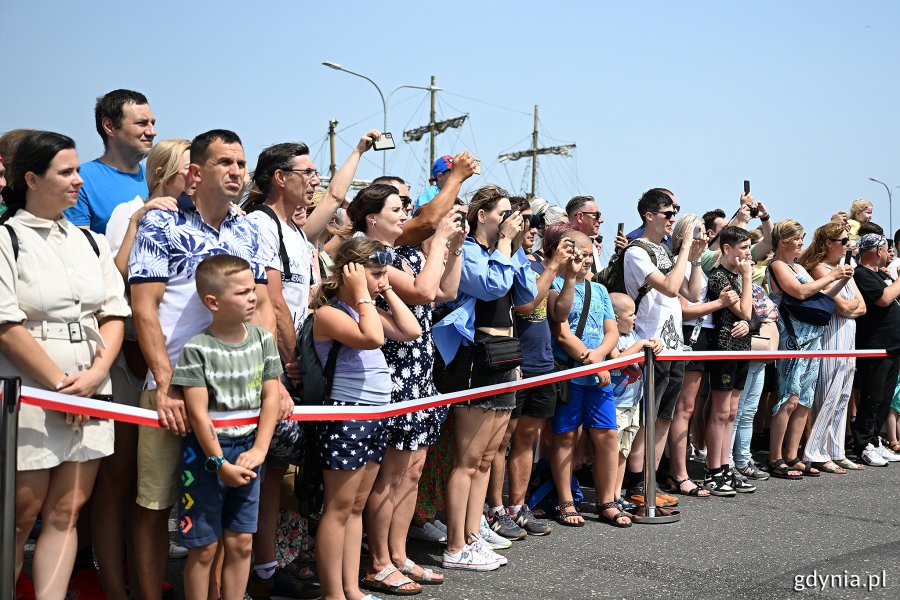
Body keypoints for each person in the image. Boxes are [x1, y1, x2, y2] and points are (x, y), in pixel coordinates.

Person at [128, 129, 280, 600]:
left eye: (241, 163)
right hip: (171, 391)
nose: (237, 172)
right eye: (224, 163)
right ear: (195, 172)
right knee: (156, 506)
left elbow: (265, 306)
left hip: (236, 397)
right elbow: (144, 307)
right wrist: (168, 383)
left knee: (220, 523)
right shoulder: (163, 224)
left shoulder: (250, 227)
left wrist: (272, 379)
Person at [242, 132, 376, 600]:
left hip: (302, 363)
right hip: (281, 365)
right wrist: (290, 359)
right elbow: (272, 298)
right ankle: (259, 572)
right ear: (280, 179)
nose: (317, 181)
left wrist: (358, 150)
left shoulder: (298, 230)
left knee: (285, 472)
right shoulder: (260, 223)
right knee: (265, 472)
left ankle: (272, 562)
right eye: (308, 172)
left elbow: (337, 196)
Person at [0, 131, 129, 600]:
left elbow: (114, 313)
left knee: (67, 512)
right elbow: (6, 325)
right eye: (66, 172)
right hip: (30, 395)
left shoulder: (92, 243)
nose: (78, 181)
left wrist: (94, 378)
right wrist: (60, 386)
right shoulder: (6, 239)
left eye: (78, 171)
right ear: (31, 179)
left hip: (92, 389)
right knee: (20, 515)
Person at [337, 183, 464, 591]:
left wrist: (452, 248)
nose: (406, 211)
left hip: (420, 371)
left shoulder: (406, 253)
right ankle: (376, 561)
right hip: (392, 373)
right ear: (372, 217)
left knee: (412, 472)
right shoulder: (370, 256)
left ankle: (398, 554)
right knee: (390, 475)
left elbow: (445, 291)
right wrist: (440, 237)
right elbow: (425, 291)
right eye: (398, 206)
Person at [311, 237, 422, 600]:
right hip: (346, 416)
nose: (380, 281)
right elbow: (373, 338)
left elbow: (411, 330)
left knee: (356, 506)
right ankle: (333, 593)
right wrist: (361, 291)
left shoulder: (367, 308)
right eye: (375, 274)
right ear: (352, 273)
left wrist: (386, 290)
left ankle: (350, 587)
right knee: (339, 507)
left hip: (373, 416)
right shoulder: (330, 313)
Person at [433, 184, 536, 571]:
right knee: (469, 457)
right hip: (476, 357)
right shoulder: (470, 252)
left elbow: (525, 296)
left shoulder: (503, 253)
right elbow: (489, 285)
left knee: (487, 456)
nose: (511, 220)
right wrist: (506, 245)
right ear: (482, 215)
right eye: (503, 213)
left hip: (505, 354)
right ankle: (456, 545)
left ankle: (473, 535)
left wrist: (515, 246)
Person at [170, 255, 282, 600]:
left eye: (253, 290)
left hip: (249, 451)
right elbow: (198, 414)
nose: (252, 298)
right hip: (205, 458)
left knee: (241, 543)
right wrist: (219, 463)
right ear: (212, 302)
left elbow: (272, 398)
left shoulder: (263, 340)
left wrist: (260, 450)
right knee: (203, 549)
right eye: (242, 293)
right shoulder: (196, 349)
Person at [489, 221, 576, 537]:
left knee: (526, 440)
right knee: (502, 441)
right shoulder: (530, 265)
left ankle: (517, 506)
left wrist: (572, 276)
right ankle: (495, 509)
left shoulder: (546, 269)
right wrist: (554, 266)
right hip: (517, 363)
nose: (529, 230)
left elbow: (560, 314)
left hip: (543, 364)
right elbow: (526, 308)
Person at [621, 188, 705, 507]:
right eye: (669, 214)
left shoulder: (667, 253)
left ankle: (651, 482)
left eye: (676, 213)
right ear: (649, 216)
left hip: (675, 345)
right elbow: (670, 288)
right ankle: (636, 484)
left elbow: (692, 294)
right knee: (648, 417)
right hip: (651, 344)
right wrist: (684, 248)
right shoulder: (637, 251)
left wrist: (694, 259)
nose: (674, 219)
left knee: (665, 418)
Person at [547, 230, 625, 526]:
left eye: (590, 254)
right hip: (570, 374)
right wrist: (590, 362)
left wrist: (599, 359)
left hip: (597, 376)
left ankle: (607, 500)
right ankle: (566, 501)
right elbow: (561, 332)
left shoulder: (600, 290)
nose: (586, 260)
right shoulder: (555, 284)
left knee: (607, 434)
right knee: (566, 436)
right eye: (580, 254)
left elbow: (612, 332)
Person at [765, 220, 852, 478]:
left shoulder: (799, 266)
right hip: (792, 337)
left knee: (804, 400)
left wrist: (840, 280)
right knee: (788, 399)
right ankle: (775, 457)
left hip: (813, 337)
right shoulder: (777, 265)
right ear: (783, 241)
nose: (802, 242)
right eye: (798, 238)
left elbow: (823, 296)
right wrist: (832, 276)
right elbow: (800, 292)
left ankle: (792, 455)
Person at [666, 214, 734, 498]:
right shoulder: (673, 262)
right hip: (686, 335)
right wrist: (719, 303)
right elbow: (687, 305)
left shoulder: (698, 264)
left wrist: (695, 260)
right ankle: (678, 472)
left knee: (692, 406)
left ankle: (681, 468)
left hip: (703, 336)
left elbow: (695, 292)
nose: (703, 237)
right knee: (684, 407)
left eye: (705, 232)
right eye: (696, 232)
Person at [798, 223, 867, 473]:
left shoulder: (847, 270)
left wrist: (851, 308)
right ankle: (815, 451)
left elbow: (861, 307)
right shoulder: (820, 269)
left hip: (848, 336)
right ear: (828, 242)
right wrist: (850, 308)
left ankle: (835, 449)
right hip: (831, 335)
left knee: (844, 395)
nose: (847, 244)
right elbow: (842, 307)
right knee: (827, 393)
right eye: (843, 240)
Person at [703, 226, 756, 495]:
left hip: (743, 347)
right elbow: (744, 309)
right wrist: (747, 278)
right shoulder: (719, 277)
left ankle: (726, 465)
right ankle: (714, 470)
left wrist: (749, 325)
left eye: (749, 248)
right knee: (721, 411)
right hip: (723, 347)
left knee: (733, 412)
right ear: (727, 249)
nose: (748, 254)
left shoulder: (740, 276)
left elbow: (753, 314)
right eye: (744, 248)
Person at [65, 89, 156, 234]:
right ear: (109, 126)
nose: (152, 132)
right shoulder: (79, 180)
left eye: (152, 123)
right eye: (142, 123)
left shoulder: (157, 178)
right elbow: (79, 249)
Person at [608, 293, 663, 508]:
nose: (635, 318)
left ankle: (616, 493)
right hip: (615, 404)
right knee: (612, 452)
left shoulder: (632, 336)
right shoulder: (612, 336)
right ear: (615, 318)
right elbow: (617, 360)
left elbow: (642, 350)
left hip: (632, 402)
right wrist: (640, 344)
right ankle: (608, 496)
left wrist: (653, 343)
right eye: (631, 314)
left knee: (623, 451)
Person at [851, 233, 900, 466]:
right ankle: (863, 443)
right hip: (875, 346)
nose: (888, 253)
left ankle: (875, 440)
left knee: (884, 398)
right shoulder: (862, 274)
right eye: (885, 249)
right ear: (877, 251)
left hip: (892, 346)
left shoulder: (881, 274)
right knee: (872, 396)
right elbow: (883, 299)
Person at [564, 195, 604, 274]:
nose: (601, 220)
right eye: (596, 215)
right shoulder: (565, 247)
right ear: (580, 217)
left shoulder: (592, 247)